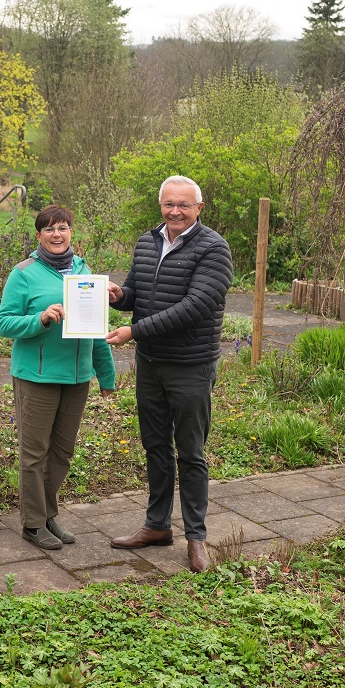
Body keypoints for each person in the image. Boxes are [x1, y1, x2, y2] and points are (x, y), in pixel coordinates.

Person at [106, 175, 233, 572]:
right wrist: (118, 297)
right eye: (168, 204)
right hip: (151, 364)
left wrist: (134, 332)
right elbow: (138, 295)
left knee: (191, 453)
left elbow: (194, 307)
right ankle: (157, 525)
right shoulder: (148, 242)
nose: (175, 211)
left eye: (183, 205)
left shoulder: (214, 248)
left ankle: (197, 538)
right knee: (156, 447)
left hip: (190, 365)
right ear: (160, 205)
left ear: (199, 207)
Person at [0, 205, 115, 550]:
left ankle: (48, 515)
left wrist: (105, 376)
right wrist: (41, 318)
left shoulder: (84, 272)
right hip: (38, 376)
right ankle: (32, 523)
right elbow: (4, 323)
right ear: (39, 236)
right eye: (49, 229)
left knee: (62, 453)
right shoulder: (24, 273)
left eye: (63, 228)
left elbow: (96, 328)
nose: (57, 234)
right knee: (35, 453)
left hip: (76, 377)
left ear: (71, 233)